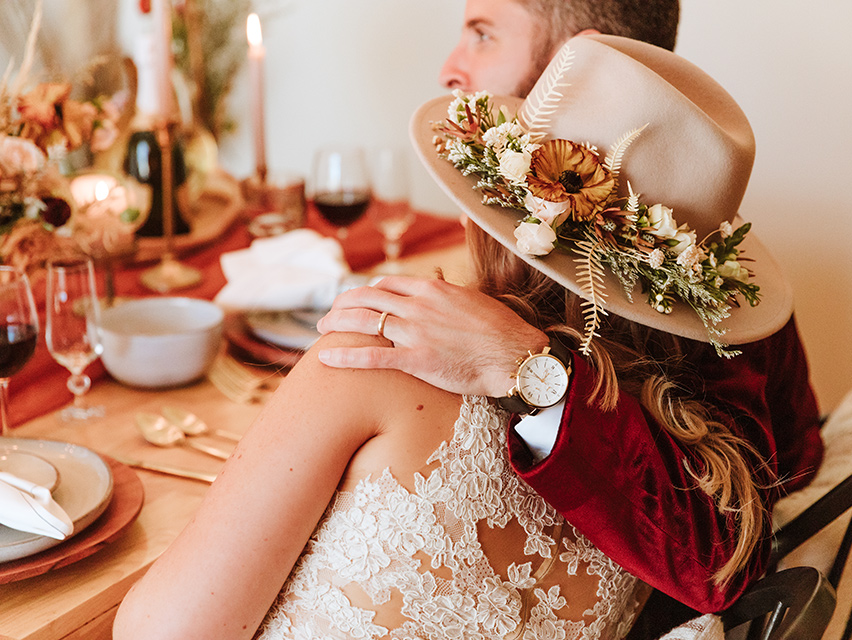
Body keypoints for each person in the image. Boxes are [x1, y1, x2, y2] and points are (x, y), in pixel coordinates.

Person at [115, 34, 788, 640]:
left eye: (484, 33)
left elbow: (158, 632)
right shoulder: (686, 448)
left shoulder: (367, 360)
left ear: (488, 206)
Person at [314, 0, 824, 626]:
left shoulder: (695, 297)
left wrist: (528, 368)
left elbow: (721, 555)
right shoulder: (677, 215)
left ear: (578, 57)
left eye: (482, 35)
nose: (451, 67)